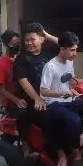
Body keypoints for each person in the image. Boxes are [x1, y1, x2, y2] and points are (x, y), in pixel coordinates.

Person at [40, 31, 83, 166]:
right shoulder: (50, 66)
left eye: (76, 50)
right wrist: (63, 93)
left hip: (67, 100)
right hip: (53, 104)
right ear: (62, 49)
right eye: (72, 50)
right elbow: (43, 91)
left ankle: (81, 136)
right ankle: (75, 154)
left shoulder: (69, 62)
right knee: (74, 120)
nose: (75, 53)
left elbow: (71, 81)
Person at [11, 23, 59, 157]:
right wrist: (37, 98)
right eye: (26, 40)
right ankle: (28, 143)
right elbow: (24, 82)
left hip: (51, 95)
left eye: (32, 39)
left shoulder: (48, 53)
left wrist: (47, 35)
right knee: (46, 117)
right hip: (31, 98)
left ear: (42, 39)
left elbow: (66, 45)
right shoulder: (21, 59)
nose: (29, 43)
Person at [0, 29, 25, 113]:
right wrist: (16, 100)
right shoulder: (1, 64)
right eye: (14, 44)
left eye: (18, 44)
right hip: (10, 101)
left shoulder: (18, 59)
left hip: (22, 95)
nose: (16, 47)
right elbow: (2, 90)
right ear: (5, 45)